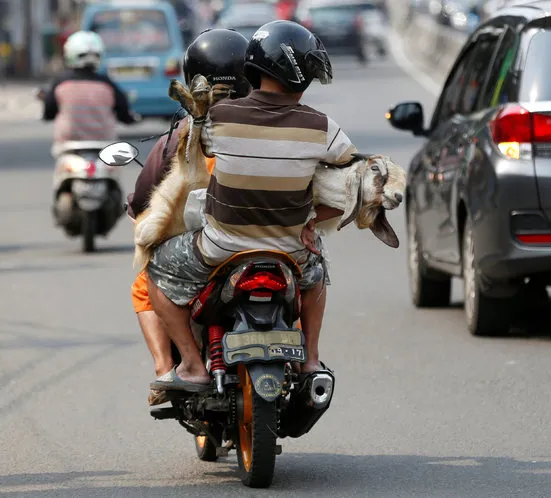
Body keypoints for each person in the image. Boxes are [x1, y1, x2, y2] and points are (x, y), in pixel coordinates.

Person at [145, 20, 359, 393]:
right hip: (291, 250)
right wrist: (312, 219)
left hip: (218, 248)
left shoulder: (220, 117)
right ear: (303, 78)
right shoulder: (323, 127)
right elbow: (356, 186)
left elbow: (189, 148)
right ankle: (309, 359)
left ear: (255, 69)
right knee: (318, 272)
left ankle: (192, 365)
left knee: (155, 273)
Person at [127, 28, 251, 405]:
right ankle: (306, 360)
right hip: (275, 239)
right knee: (309, 279)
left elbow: (144, 199)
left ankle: (171, 368)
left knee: (145, 286)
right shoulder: (270, 129)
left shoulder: (178, 139)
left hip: (205, 251)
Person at [42, 30, 138, 156]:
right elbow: (124, 112)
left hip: (68, 145)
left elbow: (49, 111)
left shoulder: (60, 83)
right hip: (105, 144)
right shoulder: (107, 84)